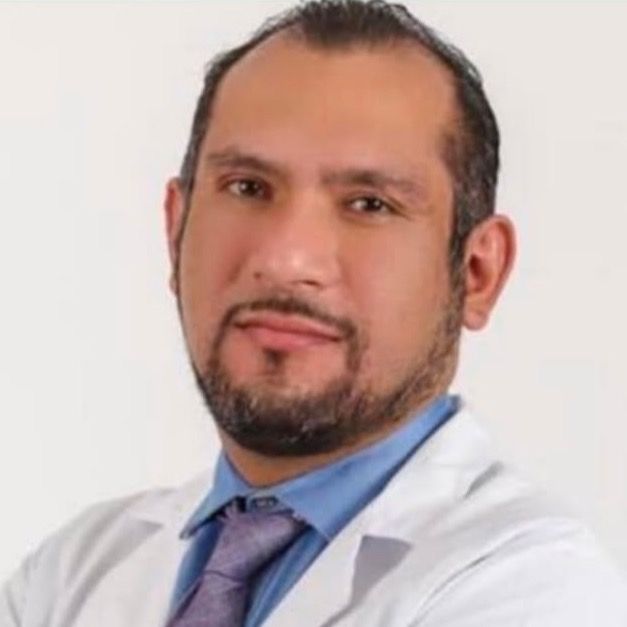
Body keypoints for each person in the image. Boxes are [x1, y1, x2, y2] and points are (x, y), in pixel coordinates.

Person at [2, 1, 626, 625]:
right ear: (175, 230)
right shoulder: (72, 573)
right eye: (248, 187)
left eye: (370, 203)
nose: (285, 258)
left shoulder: (538, 590)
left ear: (477, 273)